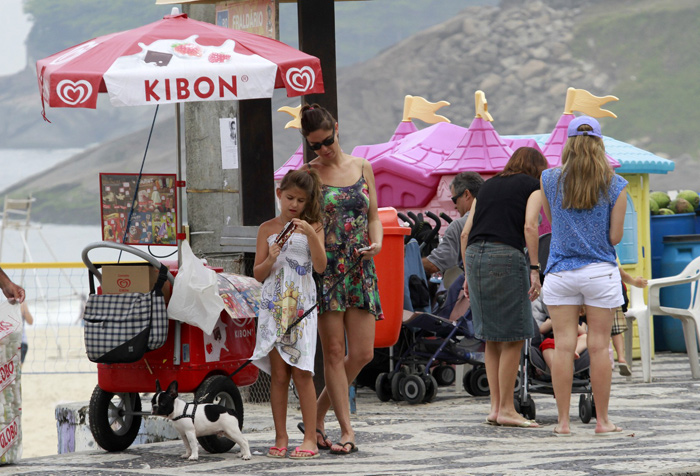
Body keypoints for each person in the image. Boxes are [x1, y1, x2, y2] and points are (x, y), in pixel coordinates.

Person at [299, 104, 383, 455]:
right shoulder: (309, 173)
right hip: (327, 270)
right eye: (315, 145)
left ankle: (316, 416)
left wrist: (376, 243)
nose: (323, 149)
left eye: (327, 140)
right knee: (333, 352)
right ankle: (347, 431)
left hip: (361, 268)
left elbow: (374, 215)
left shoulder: (363, 167)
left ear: (338, 128)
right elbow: (298, 220)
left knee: (362, 353)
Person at [540, 115, 628, 437]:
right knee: (599, 346)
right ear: (600, 143)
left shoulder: (549, 179)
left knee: (563, 346)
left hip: (560, 272)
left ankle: (563, 423)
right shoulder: (616, 185)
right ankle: (603, 422)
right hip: (599, 272)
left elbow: (552, 222)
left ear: (569, 142)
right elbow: (615, 237)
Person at [460, 146, 547, 428]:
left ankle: (496, 408)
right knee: (513, 334)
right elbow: (530, 226)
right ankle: (508, 409)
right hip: (505, 255)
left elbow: (464, 233)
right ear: (537, 168)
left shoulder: (486, 187)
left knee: (492, 337)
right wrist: (535, 268)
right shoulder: (534, 185)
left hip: (474, 256)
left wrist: (466, 275)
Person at [251, 169, 327, 459]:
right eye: (290, 197)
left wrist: (309, 232)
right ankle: (280, 436)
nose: (294, 204)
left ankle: (309, 437)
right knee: (279, 375)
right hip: (273, 307)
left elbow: (320, 267)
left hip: (302, 307)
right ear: (278, 194)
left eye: (301, 200)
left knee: (303, 372)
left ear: (309, 202)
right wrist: (271, 258)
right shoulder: (266, 229)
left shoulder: (314, 227)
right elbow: (258, 274)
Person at [422, 172, 484, 276]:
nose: (455, 206)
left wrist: (407, 261)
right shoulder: (500, 218)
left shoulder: (458, 226)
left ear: (466, 194)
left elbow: (435, 264)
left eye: (454, 200)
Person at [612, 266, 648, 376]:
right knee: (616, 331)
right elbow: (622, 274)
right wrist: (635, 282)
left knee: (587, 328)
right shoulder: (608, 251)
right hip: (611, 293)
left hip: (587, 292)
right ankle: (621, 358)